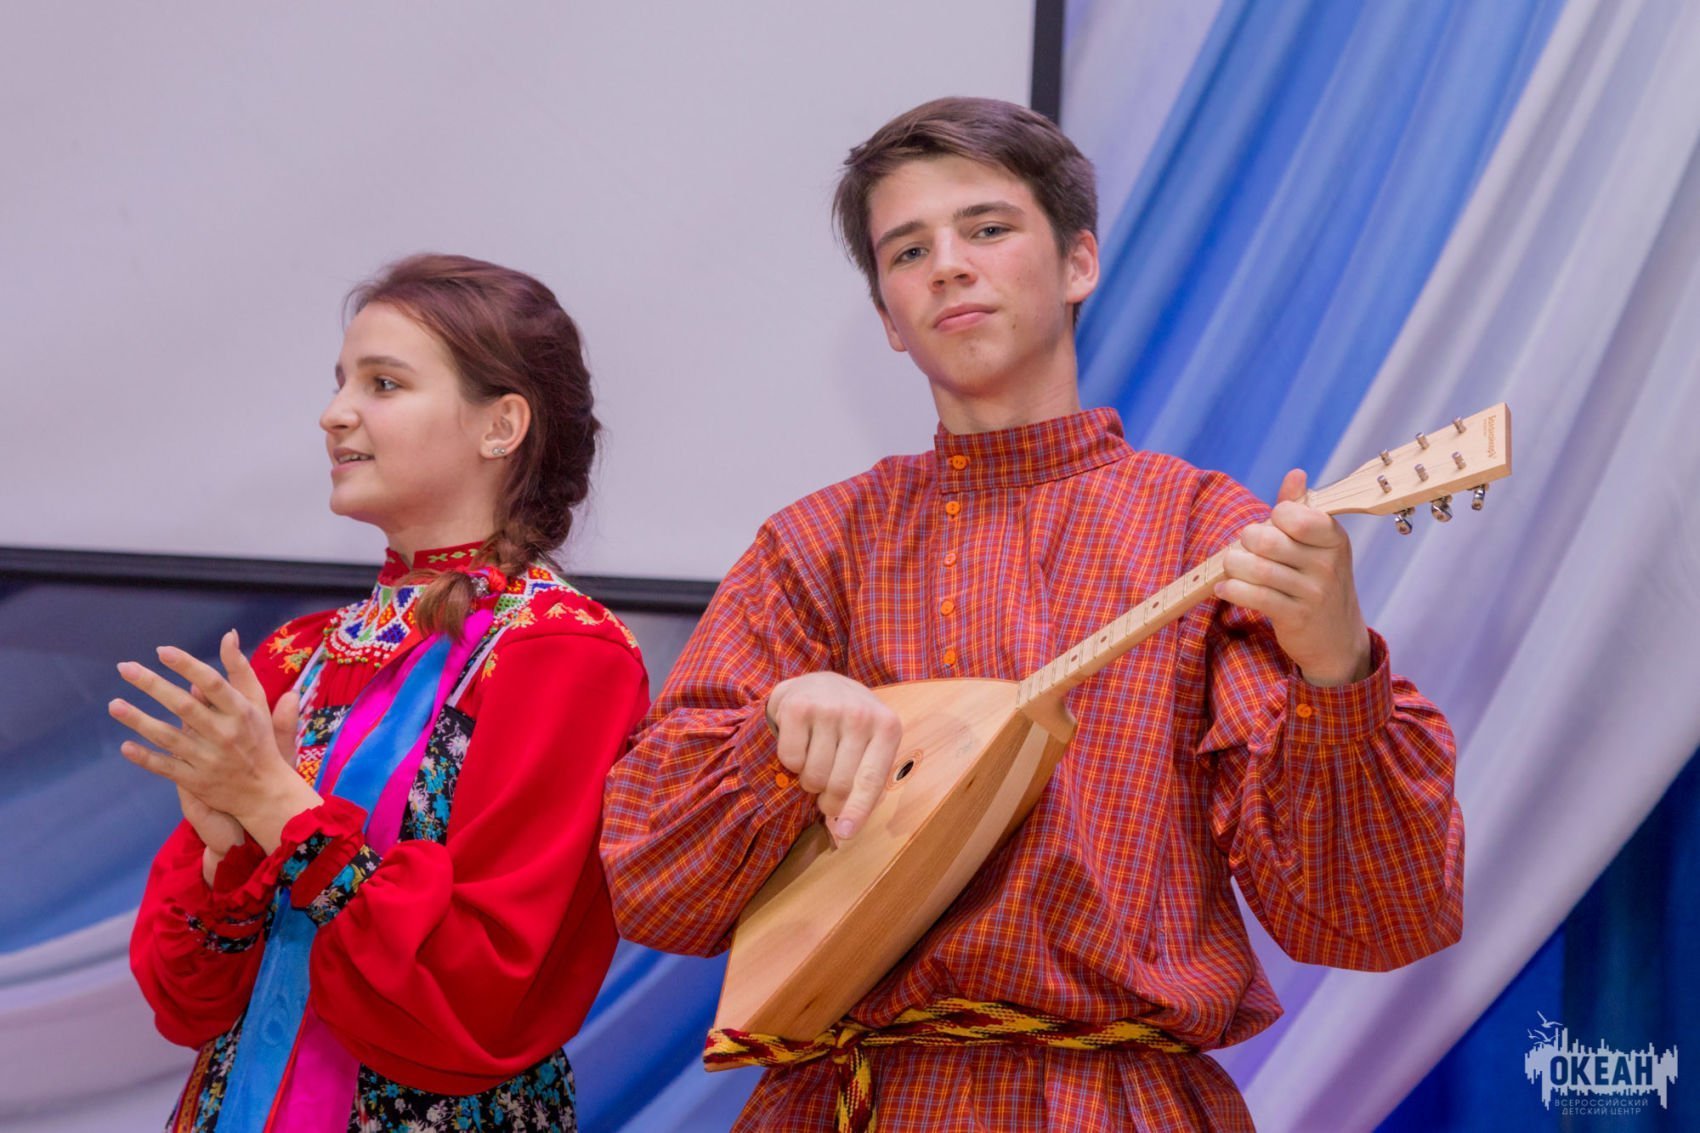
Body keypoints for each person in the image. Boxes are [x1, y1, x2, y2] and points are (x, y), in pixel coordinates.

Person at [600, 98, 1464, 1131]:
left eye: (987, 228)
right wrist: (776, 734)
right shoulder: (816, 545)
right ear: (888, 318)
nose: (948, 266)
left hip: (1114, 1104)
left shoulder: (1203, 531)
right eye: (908, 250)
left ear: (1077, 263)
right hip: (855, 1105)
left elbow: (1373, 916)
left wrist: (1335, 667)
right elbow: (650, 882)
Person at [116, 254, 648, 1132]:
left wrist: (277, 807)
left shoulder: (563, 655)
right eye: (340, 382)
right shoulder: (299, 654)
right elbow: (185, 1000)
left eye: (384, 383)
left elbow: (483, 997)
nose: (334, 413)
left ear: (502, 424)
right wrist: (225, 853)